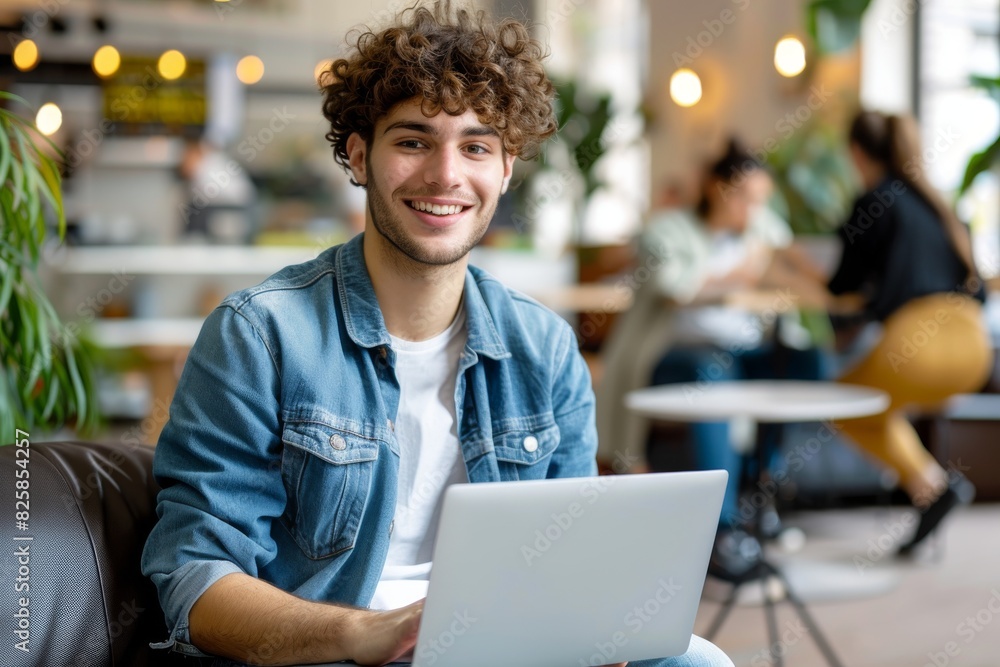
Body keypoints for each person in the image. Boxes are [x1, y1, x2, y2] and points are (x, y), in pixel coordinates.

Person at [141, 3, 733, 666]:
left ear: (505, 168)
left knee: (697, 661)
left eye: (476, 146)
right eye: (413, 141)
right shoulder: (260, 336)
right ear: (359, 156)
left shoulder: (545, 347)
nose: (446, 174)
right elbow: (195, 580)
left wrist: (593, 620)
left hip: (501, 646)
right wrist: (362, 632)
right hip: (331, 652)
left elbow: (573, 555)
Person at [597, 141, 826, 578]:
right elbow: (674, 288)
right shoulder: (667, 229)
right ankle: (722, 530)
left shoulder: (762, 227)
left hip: (743, 350)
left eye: (761, 200)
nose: (755, 209)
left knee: (804, 364)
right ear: (719, 190)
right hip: (673, 354)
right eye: (747, 198)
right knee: (712, 373)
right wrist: (739, 276)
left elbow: (791, 263)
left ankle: (760, 491)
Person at [810, 110, 993, 554]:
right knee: (873, 407)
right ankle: (932, 491)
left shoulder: (874, 202)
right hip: (974, 347)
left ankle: (930, 484)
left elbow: (841, 287)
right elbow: (980, 289)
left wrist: (797, 271)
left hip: (919, 346)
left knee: (842, 404)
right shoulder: (938, 204)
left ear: (856, 153)